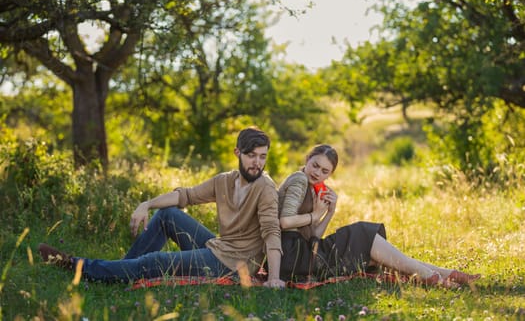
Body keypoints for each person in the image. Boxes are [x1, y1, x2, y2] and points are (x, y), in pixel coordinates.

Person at [38, 127, 285, 288]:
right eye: (252, 155)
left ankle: (76, 265)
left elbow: (272, 233)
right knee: (167, 214)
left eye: (262, 156)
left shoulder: (265, 188)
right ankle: (123, 271)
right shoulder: (224, 181)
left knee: (154, 261)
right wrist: (146, 204)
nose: (257, 163)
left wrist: (273, 279)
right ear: (237, 153)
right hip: (218, 248)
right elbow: (185, 196)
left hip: (234, 265)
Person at [278, 144, 480, 288]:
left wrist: (329, 213)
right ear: (307, 160)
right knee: (362, 233)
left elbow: (314, 236)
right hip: (292, 257)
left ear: (330, 174)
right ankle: (432, 276)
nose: (317, 173)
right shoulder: (299, 180)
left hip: (302, 253)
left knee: (366, 239)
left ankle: (444, 274)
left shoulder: (312, 189)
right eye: (315, 165)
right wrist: (315, 215)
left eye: (324, 171)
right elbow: (285, 222)